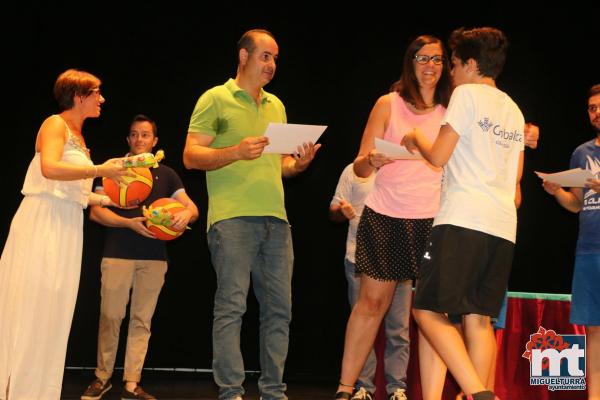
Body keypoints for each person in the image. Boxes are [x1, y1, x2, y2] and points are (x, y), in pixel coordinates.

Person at [182, 29, 320, 400]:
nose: (272, 65)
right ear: (243, 57)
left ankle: (273, 390)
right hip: (232, 220)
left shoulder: (276, 106)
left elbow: (281, 167)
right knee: (231, 306)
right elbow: (191, 156)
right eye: (265, 56)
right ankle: (231, 391)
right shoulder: (216, 98)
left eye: (275, 58)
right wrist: (235, 152)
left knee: (280, 311)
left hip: (276, 221)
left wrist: (299, 164)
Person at [401, 27, 524, 400]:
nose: (450, 72)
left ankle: (477, 392)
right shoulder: (514, 109)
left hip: (463, 219)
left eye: (453, 64)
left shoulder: (467, 94)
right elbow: (516, 180)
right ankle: (479, 392)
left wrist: (415, 138)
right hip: (502, 225)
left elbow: (438, 156)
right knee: (479, 319)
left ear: (471, 64)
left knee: (425, 310)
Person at [334, 35, 453, 400]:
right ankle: (345, 388)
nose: (429, 66)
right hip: (386, 215)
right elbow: (360, 166)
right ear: (410, 61)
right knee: (370, 304)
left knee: (433, 313)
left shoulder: (454, 107)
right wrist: (371, 160)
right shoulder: (388, 103)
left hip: (436, 219)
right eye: (422, 58)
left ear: (446, 64)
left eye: (436, 59)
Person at [0, 69, 129, 400]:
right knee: (31, 310)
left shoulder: (81, 139)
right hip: (42, 223)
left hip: (68, 227)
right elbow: (50, 168)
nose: (102, 99)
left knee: (53, 315)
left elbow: (75, 191)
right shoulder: (54, 124)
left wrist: (110, 197)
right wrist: (101, 170)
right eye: (97, 93)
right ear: (79, 96)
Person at [80, 115, 199, 400]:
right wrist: (128, 223)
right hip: (117, 253)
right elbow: (95, 211)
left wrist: (186, 214)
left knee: (141, 321)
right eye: (133, 135)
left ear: (154, 141)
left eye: (145, 135)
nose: (139, 140)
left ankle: (132, 383)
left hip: (155, 257)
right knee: (110, 317)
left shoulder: (167, 174)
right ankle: (102, 377)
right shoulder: (113, 169)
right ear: (128, 140)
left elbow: (191, 209)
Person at [542, 84, 600, 400]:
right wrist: (557, 193)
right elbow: (577, 204)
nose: (597, 112)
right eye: (592, 107)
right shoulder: (582, 152)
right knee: (594, 328)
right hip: (590, 249)